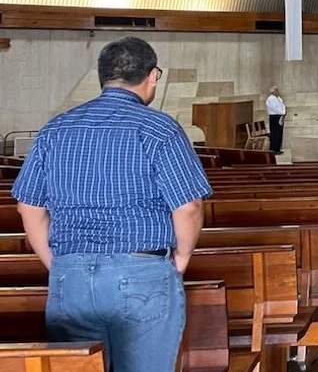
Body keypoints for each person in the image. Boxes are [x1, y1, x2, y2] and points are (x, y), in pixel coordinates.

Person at [11, 37, 212, 372]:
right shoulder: (160, 129)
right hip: (142, 270)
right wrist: (181, 259)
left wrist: (57, 263)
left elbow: (28, 207)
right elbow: (188, 206)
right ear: (153, 76)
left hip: (70, 273)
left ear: (102, 77)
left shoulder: (55, 130)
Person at [265, 86, 286, 155]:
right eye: (277, 90)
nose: (278, 91)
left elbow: (283, 106)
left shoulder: (279, 98)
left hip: (280, 116)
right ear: (274, 92)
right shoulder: (270, 99)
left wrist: (284, 112)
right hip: (274, 117)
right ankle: (273, 149)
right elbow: (274, 108)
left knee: (279, 133)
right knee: (275, 133)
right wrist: (282, 112)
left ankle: (278, 148)